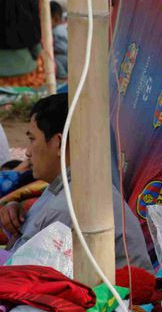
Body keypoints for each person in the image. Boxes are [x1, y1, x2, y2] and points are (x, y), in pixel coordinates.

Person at [0, 94, 151, 269]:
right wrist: (16, 214)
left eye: (32, 139)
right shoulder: (73, 186)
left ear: (59, 143)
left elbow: (19, 273)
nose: (27, 152)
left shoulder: (70, 206)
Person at [50, 1, 68, 81]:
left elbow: (64, 49)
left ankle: (63, 76)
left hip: (64, 59)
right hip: (65, 59)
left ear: (56, 19)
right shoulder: (61, 28)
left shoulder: (56, 31)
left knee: (53, 60)